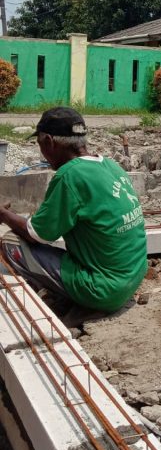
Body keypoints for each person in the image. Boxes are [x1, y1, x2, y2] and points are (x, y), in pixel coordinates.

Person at [0, 107, 148, 315]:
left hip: (103, 290)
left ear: (49, 142)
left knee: (10, 243)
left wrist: (4, 215)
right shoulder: (110, 166)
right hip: (132, 277)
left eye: (40, 143)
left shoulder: (70, 175)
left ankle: (40, 302)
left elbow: (37, 235)